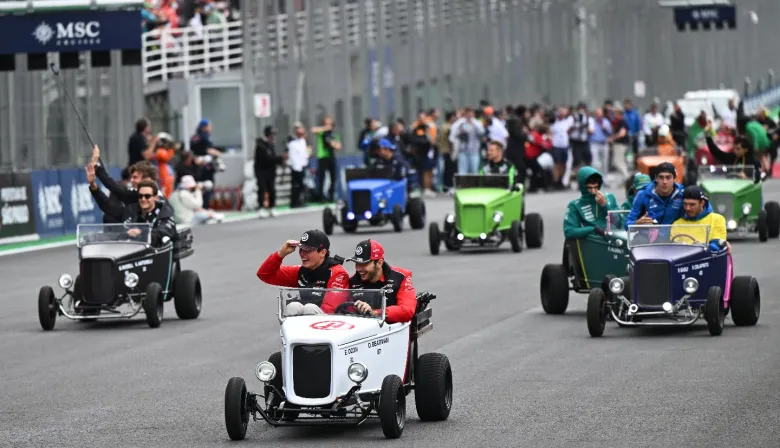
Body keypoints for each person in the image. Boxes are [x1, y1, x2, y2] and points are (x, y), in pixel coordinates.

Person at [256, 230, 349, 315]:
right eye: (301, 249)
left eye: (308, 250)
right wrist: (280, 254)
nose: (302, 254)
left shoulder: (337, 274)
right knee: (293, 307)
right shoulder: (300, 271)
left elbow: (331, 310)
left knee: (310, 309)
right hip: (304, 325)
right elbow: (265, 274)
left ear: (322, 253)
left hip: (330, 325)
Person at [346, 239, 417, 324]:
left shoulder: (401, 277)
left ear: (379, 263)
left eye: (364, 264)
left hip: (390, 332)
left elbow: (407, 310)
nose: (358, 268)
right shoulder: (351, 282)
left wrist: (375, 313)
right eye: (357, 263)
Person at [563, 167, 620, 239]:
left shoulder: (610, 198)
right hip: (593, 242)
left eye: (595, 187)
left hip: (614, 239)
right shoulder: (575, 205)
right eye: (589, 188)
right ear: (583, 187)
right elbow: (569, 232)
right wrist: (593, 229)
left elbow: (618, 223)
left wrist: (605, 205)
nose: (593, 191)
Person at [670, 186, 730, 253]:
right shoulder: (677, 224)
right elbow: (674, 250)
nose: (687, 208)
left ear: (702, 203)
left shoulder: (717, 219)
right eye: (685, 204)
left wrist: (700, 247)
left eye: (692, 204)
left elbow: (717, 245)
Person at [624, 162, 684, 228]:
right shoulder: (643, 194)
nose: (664, 182)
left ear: (674, 178)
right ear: (656, 178)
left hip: (674, 236)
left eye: (668, 177)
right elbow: (627, 225)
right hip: (647, 237)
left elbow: (695, 219)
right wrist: (637, 223)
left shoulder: (682, 194)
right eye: (661, 177)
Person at [122, 180, 177, 247]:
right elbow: (122, 231)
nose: (143, 199)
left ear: (155, 197)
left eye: (147, 196)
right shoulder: (132, 211)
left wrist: (141, 232)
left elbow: (164, 231)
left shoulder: (164, 212)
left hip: (158, 253)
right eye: (140, 196)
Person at [254, 125, 286, 218]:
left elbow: (273, 157)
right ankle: (261, 208)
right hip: (261, 170)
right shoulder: (260, 145)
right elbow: (267, 158)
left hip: (270, 170)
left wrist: (280, 161)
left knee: (271, 189)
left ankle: (272, 207)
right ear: (268, 134)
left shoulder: (271, 144)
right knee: (261, 188)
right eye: (272, 134)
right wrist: (280, 158)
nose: (273, 136)